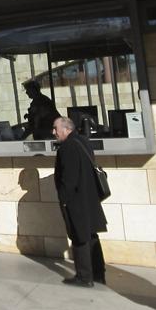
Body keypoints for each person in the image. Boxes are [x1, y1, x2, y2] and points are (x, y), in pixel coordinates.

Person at [52, 115, 106, 287]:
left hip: (76, 200)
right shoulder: (83, 141)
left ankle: (84, 277)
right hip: (89, 197)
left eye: (56, 129)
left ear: (67, 129)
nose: (53, 132)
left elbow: (69, 178)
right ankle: (98, 273)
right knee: (91, 235)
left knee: (79, 237)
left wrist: (64, 199)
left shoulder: (67, 148)